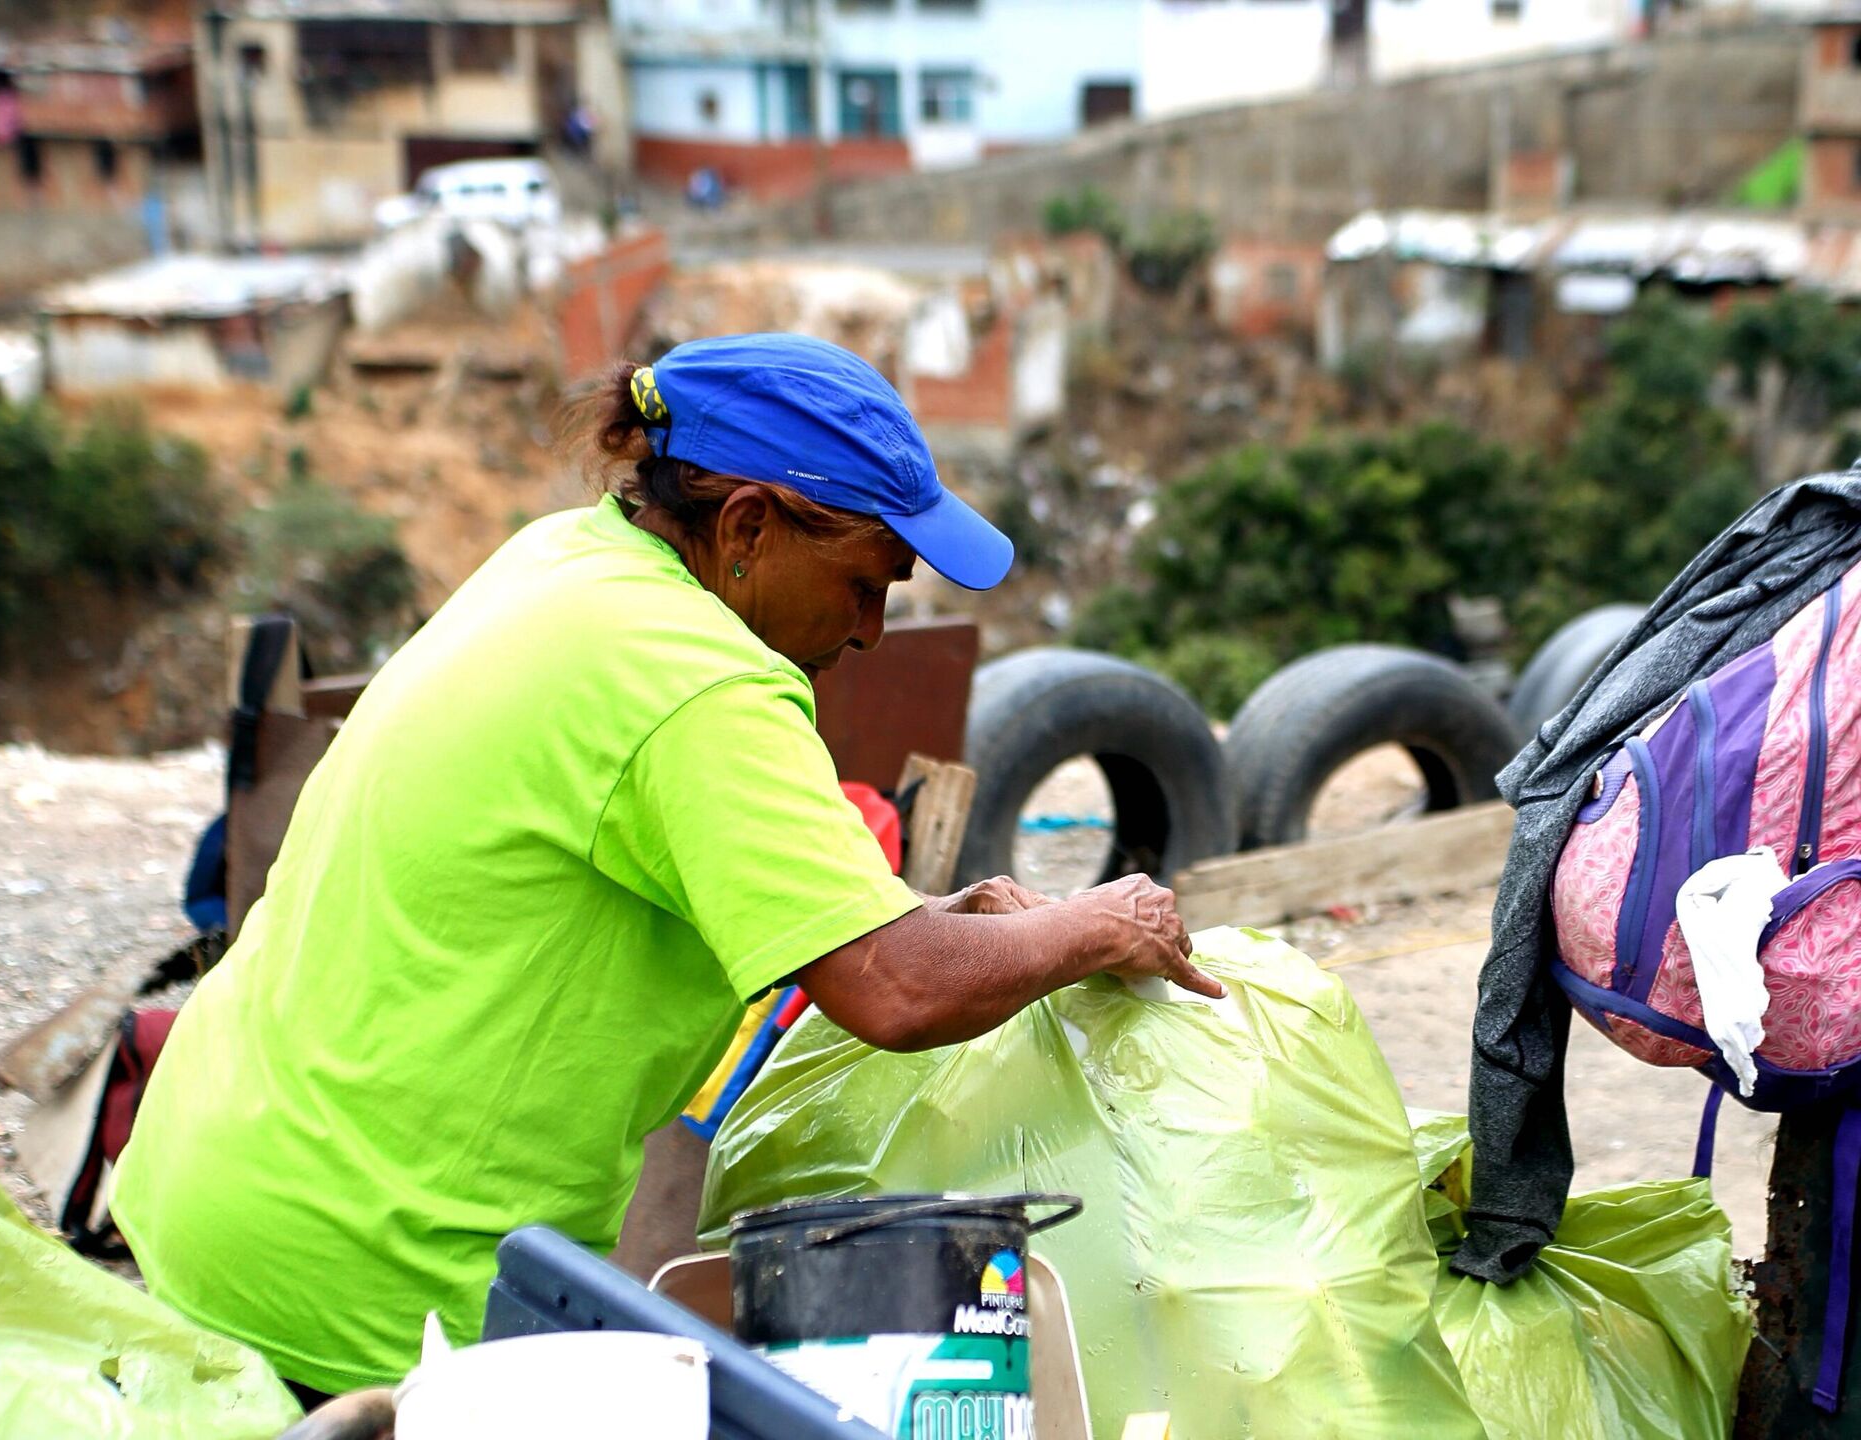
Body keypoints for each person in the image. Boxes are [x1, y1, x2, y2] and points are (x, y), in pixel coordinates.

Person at [111, 333, 1220, 1403]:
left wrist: (940, 918)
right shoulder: (704, 685)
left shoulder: (564, 560)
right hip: (378, 1277)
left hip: (221, 1175)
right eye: (867, 582)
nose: (875, 631)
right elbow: (896, 987)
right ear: (746, 525)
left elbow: (806, 918)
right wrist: (1100, 922)